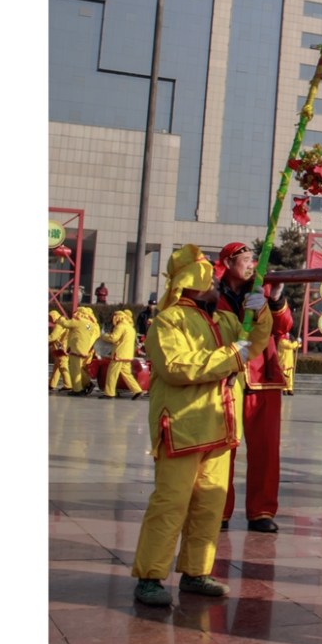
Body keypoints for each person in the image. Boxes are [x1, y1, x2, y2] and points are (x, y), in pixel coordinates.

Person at [131, 244, 272, 607]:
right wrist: (232, 355)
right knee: (170, 504)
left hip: (220, 427)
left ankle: (196, 571)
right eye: (208, 278)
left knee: (209, 505)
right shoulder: (169, 321)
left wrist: (261, 314)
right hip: (182, 428)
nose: (215, 283)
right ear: (193, 281)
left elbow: (252, 347)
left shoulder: (225, 321)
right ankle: (150, 576)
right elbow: (177, 367)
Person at [214, 242, 294, 532]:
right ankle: (218, 510)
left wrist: (275, 300)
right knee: (223, 449)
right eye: (246, 260)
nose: (252, 265)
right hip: (226, 377)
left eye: (253, 260)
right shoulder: (212, 292)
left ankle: (262, 511)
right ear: (228, 263)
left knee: (266, 450)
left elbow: (283, 327)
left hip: (263, 379)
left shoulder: (261, 289)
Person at [101, 308, 144, 399]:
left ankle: (109, 393)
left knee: (112, 374)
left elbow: (113, 338)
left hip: (119, 354)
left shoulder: (120, 326)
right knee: (127, 374)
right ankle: (137, 390)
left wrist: (104, 336)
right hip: (127, 355)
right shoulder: (131, 328)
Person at [63, 305, 100, 395]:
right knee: (79, 368)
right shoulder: (92, 324)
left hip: (83, 349)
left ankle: (82, 386)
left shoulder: (85, 323)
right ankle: (85, 385)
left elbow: (91, 339)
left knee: (77, 369)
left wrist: (86, 349)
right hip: (85, 349)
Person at [49, 310, 72, 392]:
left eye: (50, 318)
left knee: (62, 366)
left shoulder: (59, 324)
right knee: (57, 366)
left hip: (61, 349)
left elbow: (53, 337)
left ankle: (68, 385)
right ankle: (52, 384)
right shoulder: (63, 321)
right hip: (64, 348)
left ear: (54, 317)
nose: (50, 320)